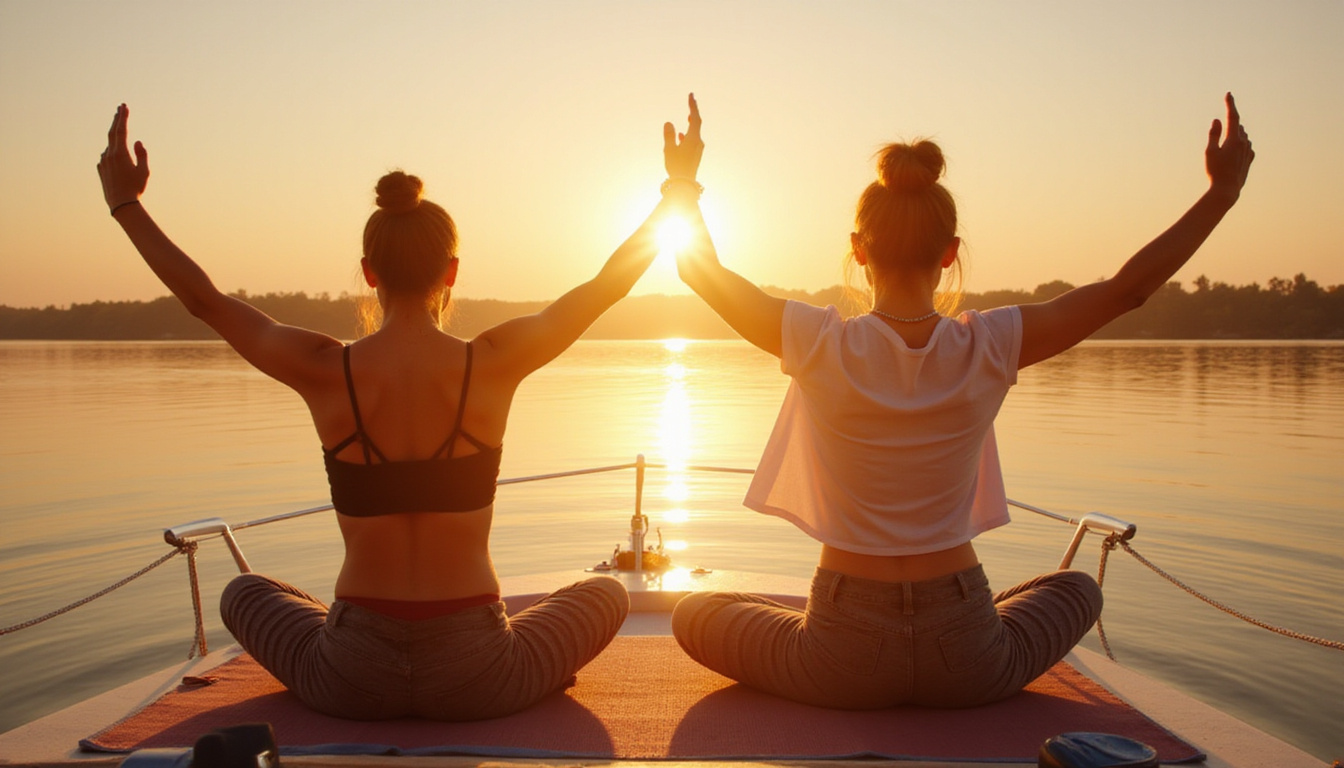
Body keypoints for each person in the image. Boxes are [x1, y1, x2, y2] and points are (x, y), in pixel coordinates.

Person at [96, 98, 704, 721]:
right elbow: (606, 286)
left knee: (244, 594)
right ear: (452, 272)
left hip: (350, 676)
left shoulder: (324, 369)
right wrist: (677, 190)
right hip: (479, 677)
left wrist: (127, 205)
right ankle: (531, 675)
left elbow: (206, 302)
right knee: (605, 593)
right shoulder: (491, 362)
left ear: (368, 273)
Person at [668, 94, 1254, 708]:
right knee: (1078, 589)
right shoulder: (991, 342)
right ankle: (967, 634)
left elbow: (698, 270)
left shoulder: (817, 341)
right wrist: (1222, 193)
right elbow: (1126, 291)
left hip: (839, 661)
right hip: (969, 653)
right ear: (950, 252)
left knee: (696, 613)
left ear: (858, 249)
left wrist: (684, 180)